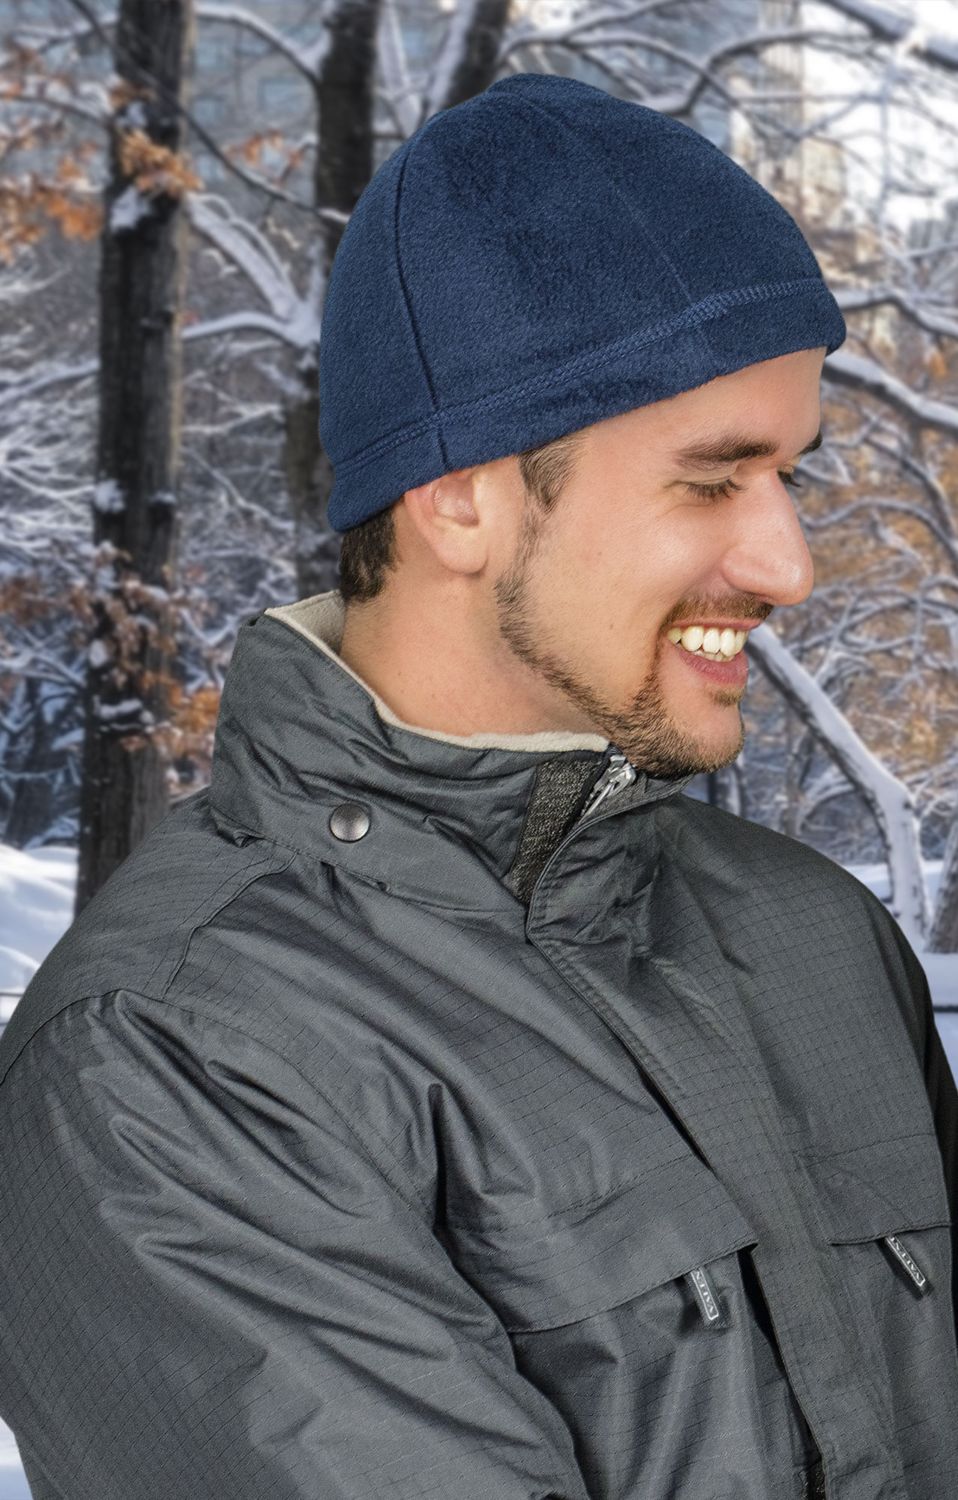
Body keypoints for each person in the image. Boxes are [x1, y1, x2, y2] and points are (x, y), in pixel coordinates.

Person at [0, 70, 955, 1500]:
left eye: (792, 479)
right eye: (712, 480)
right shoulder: (170, 1059)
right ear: (458, 493)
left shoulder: (815, 937)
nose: (788, 566)